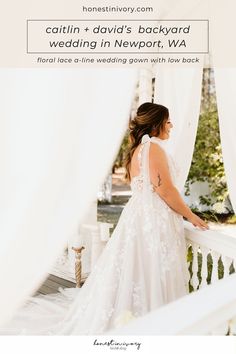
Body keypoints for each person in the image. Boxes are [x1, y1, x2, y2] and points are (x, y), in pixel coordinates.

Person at [0, 102, 208, 335]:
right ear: (157, 123)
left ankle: (140, 316)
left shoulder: (139, 149)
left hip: (140, 218)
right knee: (151, 268)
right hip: (152, 220)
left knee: (138, 269)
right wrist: (191, 216)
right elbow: (166, 190)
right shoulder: (154, 149)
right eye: (168, 120)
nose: (171, 125)